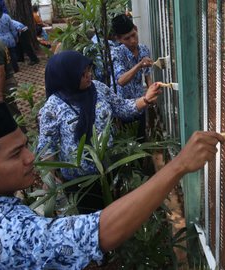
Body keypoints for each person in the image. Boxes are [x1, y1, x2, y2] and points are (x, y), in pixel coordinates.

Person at [0, 101, 222, 268]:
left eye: (26, 146)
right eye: (16, 154)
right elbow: (97, 232)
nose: (31, 158)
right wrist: (179, 165)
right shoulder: (5, 234)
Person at [37, 51, 162, 213]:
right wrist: (48, 177)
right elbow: (48, 146)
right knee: (94, 223)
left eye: (89, 70)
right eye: (82, 74)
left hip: (109, 168)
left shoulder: (98, 88)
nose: (89, 75)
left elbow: (122, 108)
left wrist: (145, 99)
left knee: (116, 214)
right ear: (67, 77)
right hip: (80, 181)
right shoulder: (52, 107)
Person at [111, 14, 153, 141]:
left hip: (140, 103)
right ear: (118, 39)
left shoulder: (144, 50)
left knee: (141, 139)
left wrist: (152, 92)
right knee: (128, 143)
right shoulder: (117, 54)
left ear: (136, 28)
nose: (132, 41)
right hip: (123, 108)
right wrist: (139, 65)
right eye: (127, 38)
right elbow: (121, 81)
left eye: (133, 35)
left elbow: (147, 76)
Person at [0, 0, 19, 72]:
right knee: (12, 55)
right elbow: (12, 28)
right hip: (9, 39)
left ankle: (5, 70)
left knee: (1, 56)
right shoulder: (6, 17)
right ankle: (15, 68)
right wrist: (15, 37)